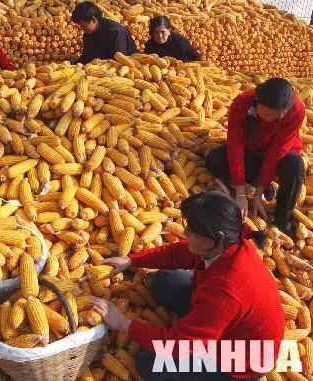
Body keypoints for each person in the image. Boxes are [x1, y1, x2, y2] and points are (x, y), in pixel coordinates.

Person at [91, 192, 285, 381]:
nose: (184, 233)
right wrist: (131, 261)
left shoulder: (225, 292)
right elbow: (179, 254)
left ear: (215, 240)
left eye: (190, 232)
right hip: (229, 321)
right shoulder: (229, 244)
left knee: (148, 362)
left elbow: (178, 345)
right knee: (164, 281)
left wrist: (123, 323)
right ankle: (200, 325)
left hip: (242, 361)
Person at [205, 77, 305, 237]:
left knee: (296, 167)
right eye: (265, 116)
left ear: (287, 109)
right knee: (214, 160)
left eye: (275, 118)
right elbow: (235, 145)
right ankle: (261, 183)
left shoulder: (297, 110)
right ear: (257, 100)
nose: (269, 120)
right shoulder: (242, 103)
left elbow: (277, 152)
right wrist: (240, 192)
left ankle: (283, 220)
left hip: (281, 156)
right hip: (252, 151)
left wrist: (258, 194)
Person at [71, 1, 137, 64]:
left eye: (82, 25)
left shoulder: (116, 32)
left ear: (93, 20)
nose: (81, 28)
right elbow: (86, 58)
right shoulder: (88, 35)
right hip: (99, 71)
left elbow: (120, 61)